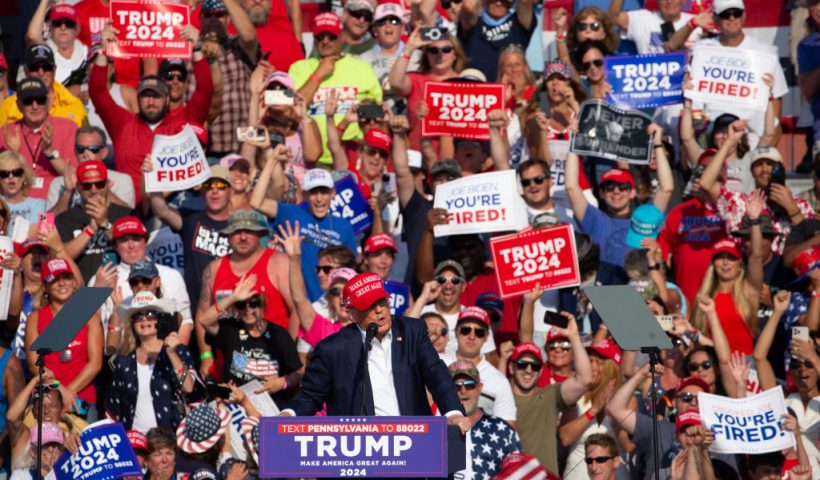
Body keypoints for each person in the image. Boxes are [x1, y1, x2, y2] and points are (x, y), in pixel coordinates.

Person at [282, 272, 471, 434]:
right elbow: (310, 395)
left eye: (382, 301)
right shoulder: (333, 349)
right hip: (362, 453)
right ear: (352, 314)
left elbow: (436, 374)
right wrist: (288, 415)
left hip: (413, 442)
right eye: (369, 306)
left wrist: (453, 413)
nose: (379, 310)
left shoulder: (412, 331)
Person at [89, 22, 199, 201]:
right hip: (129, 208)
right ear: (137, 99)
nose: (150, 101)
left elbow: (206, 92)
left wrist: (198, 49)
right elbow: (97, 92)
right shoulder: (123, 123)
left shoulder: (178, 123)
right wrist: (103, 50)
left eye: (156, 96)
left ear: (167, 99)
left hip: (168, 208)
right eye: (145, 96)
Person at [251, 155, 357, 302]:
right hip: (297, 302)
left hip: (332, 305)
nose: (319, 199)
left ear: (332, 193)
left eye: (324, 192)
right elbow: (256, 202)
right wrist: (272, 161)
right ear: (305, 194)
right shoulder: (292, 213)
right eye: (314, 192)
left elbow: (352, 269)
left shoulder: (344, 226)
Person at [607, 369, 740, 478]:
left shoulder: (720, 438)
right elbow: (615, 409)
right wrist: (640, 375)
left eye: (700, 398)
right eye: (687, 397)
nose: (693, 402)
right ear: (675, 402)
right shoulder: (657, 428)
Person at [289, 12, 382, 165]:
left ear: (342, 37)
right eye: (320, 37)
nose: (326, 42)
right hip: (312, 159)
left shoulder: (362, 68)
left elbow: (378, 115)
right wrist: (318, 74)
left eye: (331, 36)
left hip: (354, 157)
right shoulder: (298, 68)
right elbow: (292, 109)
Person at [692, 0, 788, 147]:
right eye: (725, 14)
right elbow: (693, 98)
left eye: (736, 13)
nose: (732, 18)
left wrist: (765, 151)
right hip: (712, 139)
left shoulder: (765, 53)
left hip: (752, 142)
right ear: (716, 19)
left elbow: (776, 101)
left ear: (743, 16)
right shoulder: (700, 50)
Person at [200, 272, 302, 407]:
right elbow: (204, 320)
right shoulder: (230, 329)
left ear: (263, 304)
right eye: (241, 304)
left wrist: (282, 382)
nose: (248, 309)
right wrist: (233, 297)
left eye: (254, 302)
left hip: (271, 404)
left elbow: (299, 373)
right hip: (236, 406)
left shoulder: (278, 334)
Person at [510, 313, 593, 474]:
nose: (528, 370)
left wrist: (574, 336)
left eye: (534, 366)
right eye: (522, 364)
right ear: (511, 368)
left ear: (541, 370)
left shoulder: (549, 395)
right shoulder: (502, 398)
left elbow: (585, 379)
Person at [149, 165, 233, 322]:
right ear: (201, 191)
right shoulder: (191, 219)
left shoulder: (238, 227)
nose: (214, 191)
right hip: (196, 312)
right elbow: (161, 210)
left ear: (231, 191)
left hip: (229, 311)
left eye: (221, 186)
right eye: (209, 186)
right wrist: (152, 175)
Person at [90, 217, 192, 342]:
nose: (131, 245)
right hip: (117, 355)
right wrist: (95, 291)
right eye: (124, 240)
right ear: (115, 246)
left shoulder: (171, 275)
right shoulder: (100, 279)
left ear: (146, 241)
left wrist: (172, 356)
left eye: (136, 239)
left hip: (164, 354)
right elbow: (91, 327)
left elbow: (185, 322)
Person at [24, 258, 102, 420]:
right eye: (54, 280)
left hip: (81, 400)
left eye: (66, 278)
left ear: (74, 282)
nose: (61, 283)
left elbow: (95, 364)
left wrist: (68, 392)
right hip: (47, 402)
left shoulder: (90, 316)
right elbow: (34, 364)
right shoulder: (35, 318)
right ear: (45, 287)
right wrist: (59, 391)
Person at [106, 291, 195, 433]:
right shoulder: (124, 362)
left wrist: (171, 354)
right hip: (136, 446)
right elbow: (113, 411)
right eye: (138, 315)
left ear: (159, 319)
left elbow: (189, 387)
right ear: (132, 322)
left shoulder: (179, 351)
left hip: (172, 442)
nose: (144, 319)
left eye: (150, 314)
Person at [198, 0, 259, 158]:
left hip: (239, 147)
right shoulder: (190, 48)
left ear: (228, 18)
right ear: (200, 19)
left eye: (219, 14)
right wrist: (198, 43)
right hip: (199, 148)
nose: (213, 19)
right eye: (207, 14)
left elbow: (249, 36)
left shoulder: (238, 46)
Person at [388, 25, 465, 150]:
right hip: (418, 155)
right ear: (426, 55)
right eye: (433, 50)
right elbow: (395, 83)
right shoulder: (415, 79)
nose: (440, 54)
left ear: (455, 54)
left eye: (446, 49)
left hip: (455, 159)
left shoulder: (465, 82)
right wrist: (409, 48)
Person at [0, 76, 76, 201]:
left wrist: (50, 152)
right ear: (19, 105)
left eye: (40, 100)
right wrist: (14, 154)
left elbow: (73, 177)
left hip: (55, 204)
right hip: (18, 206)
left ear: (48, 102)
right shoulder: (6, 132)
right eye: (28, 101)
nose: (35, 106)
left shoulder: (67, 127)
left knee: (45, 220)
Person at [54, 160, 132, 282]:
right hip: (83, 293)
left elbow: (131, 250)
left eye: (99, 184)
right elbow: (61, 259)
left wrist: (105, 223)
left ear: (108, 184)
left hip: (121, 287)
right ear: (78, 187)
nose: (94, 190)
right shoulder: (65, 219)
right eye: (87, 186)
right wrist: (90, 230)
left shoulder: (125, 214)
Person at [439, 307, 517, 425]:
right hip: (439, 439)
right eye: (466, 330)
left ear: (486, 337)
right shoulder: (437, 363)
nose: (472, 336)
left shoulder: (499, 381)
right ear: (456, 332)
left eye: (479, 332)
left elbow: (508, 428)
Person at [449, 360, 521, 479]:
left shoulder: (502, 430)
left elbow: (520, 473)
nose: (463, 391)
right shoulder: (435, 430)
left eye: (469, 384)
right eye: (456, 386)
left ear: (480, 387)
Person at [47, 126, 136, 213]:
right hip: (73, 226)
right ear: (75, 151)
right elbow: (44, 222)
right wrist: (68, 192)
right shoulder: (59, 183)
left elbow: (129, 217)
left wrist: (105, 189)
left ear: (104, 153)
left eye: (93, 149)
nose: (85, 154)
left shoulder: (122, 180)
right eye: (80, 149)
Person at [0, 44, 87, 128]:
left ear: (54, 70)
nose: (41, 73)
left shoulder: (74, 105)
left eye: (46, 67)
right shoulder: (7, 107)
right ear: (26, 71)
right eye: (34, 68)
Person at [456, 0, 536, 81]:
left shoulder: (519, 23)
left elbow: (526, 1)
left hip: (509, 88)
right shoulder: (473, 22)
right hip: (475, 88)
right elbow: (468, 5)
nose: (498, 2)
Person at [25, 2, 88, 89]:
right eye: (58, 23)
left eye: (68, 23)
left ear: (77, 29)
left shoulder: (87, 54)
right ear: (50, 28)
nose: (63, 28)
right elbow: (32, 36)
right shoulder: (45, 51)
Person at [608, 0, 709, 54]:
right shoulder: (642, 18)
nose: (669, 1)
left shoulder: (697, 21)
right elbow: (613, 17)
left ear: (682, 1)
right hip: (653, 89)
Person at [0, 151, 45, 225]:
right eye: (4, 174)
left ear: (24, 176)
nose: (11, 177)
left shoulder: (39, 204)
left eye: (17, 172)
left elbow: (37, 231)